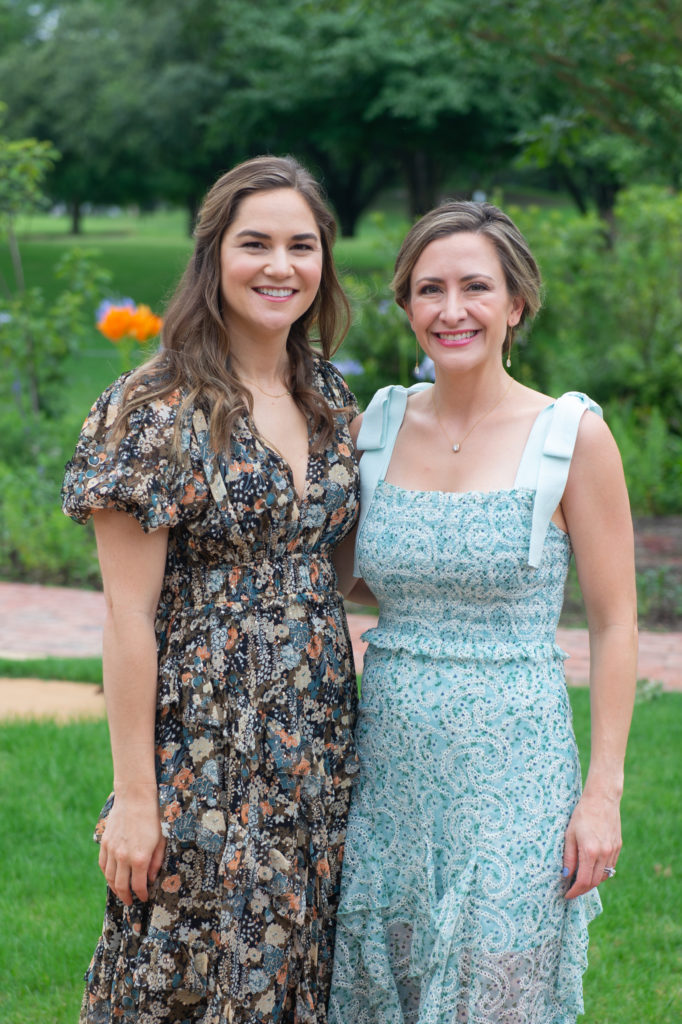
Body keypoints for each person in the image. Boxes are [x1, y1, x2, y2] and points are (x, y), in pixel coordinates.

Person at [62, 155, 361, 1024]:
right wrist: (137, 798)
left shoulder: (328, 397)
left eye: (301, 245)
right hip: (202, 748)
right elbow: (127, 617)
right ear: (213, 255)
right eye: (255, 243)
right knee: (186, 965)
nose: (280, 266)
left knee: (297, 965)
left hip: (315, 747)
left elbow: (337, 573)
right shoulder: (153, 409)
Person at [328, 201, 637, 1024]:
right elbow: (349, 575)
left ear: (516, 304)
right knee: (382, 992)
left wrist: (602, 795)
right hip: (388, 772)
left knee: (495, 997)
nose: (452, 310)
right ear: (406, 305)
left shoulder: (571, 436)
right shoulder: (375, 426)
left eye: (476, 287)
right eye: (429, 289)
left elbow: (614, 623)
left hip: (515, 777)